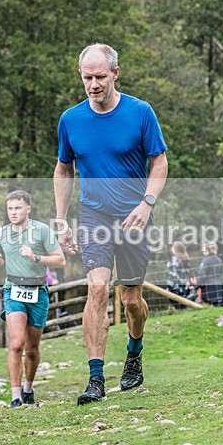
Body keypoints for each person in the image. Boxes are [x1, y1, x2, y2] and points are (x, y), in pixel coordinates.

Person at [54, 43, 169, 405]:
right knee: (97, 289)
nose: (93, 84)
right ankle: (96, 379)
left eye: (100, 76)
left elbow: (160, 163)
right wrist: (60, 220)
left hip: (135, 217)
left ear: (115, 73)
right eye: (87, 77)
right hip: (94, 216)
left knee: (131, 299)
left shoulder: (140, 113)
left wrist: (147, 204)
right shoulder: (70, 120)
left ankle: (134, 351)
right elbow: (63, 169)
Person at [0, 190, 65, 408]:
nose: (13, 212)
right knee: (16, 343)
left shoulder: (42, 230)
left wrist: (35, 257)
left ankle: (28, 388)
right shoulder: (2, 232)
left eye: (18, 208)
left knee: (32, 349)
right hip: (12, 289)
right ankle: (15, 396)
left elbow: (60, 260)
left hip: (38, 291)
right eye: (10, 208)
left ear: (28, 209)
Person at [166, 242, 193, 309]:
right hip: (184, 285)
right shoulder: (186, 259)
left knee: (176, 303)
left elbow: (174, 273)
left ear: (176, 249)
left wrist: (169, 266)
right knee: (183, 304)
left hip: (175, 286)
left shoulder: (174, 259)